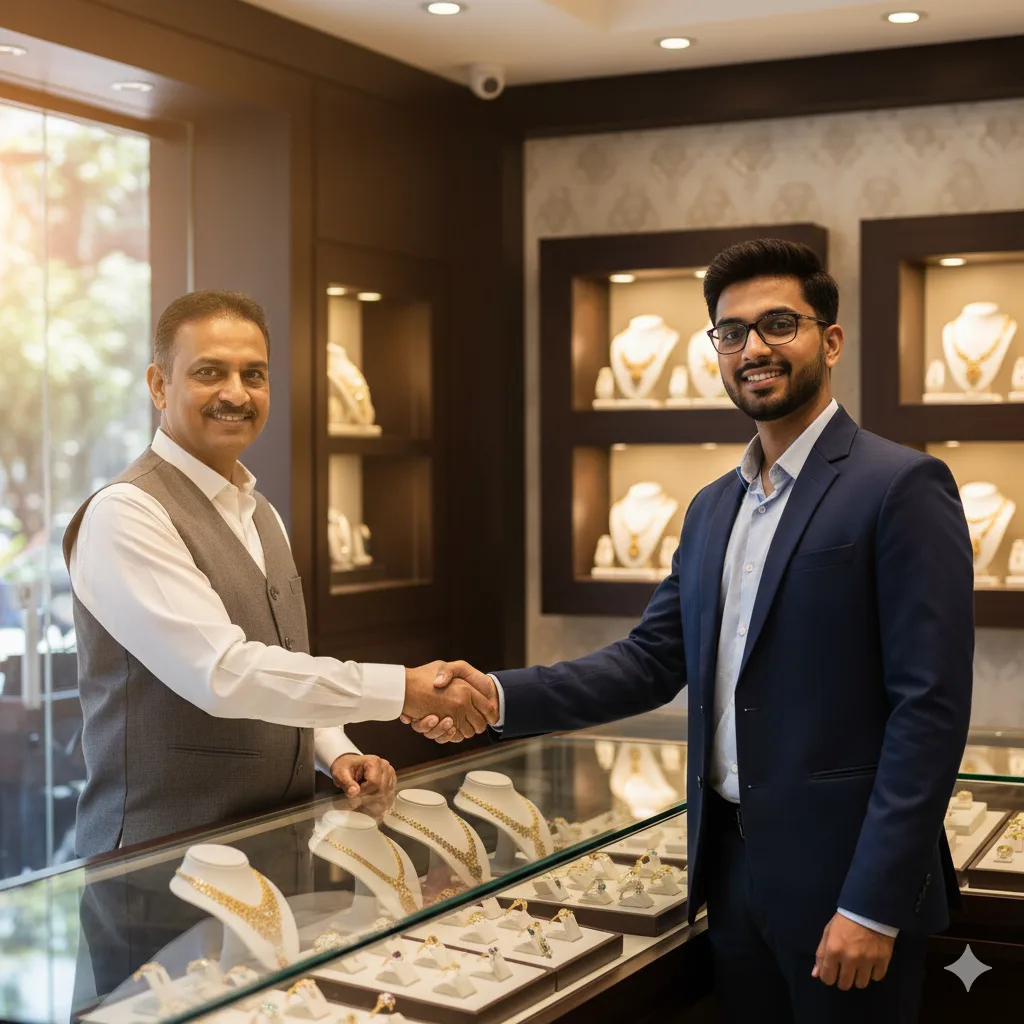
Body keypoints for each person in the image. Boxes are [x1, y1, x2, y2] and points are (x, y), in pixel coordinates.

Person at [407, 240, 974, 1023]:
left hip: (846, 886)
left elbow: (931, 709)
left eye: (780, 324)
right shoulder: (713, 506)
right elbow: (648, 661)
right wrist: (495, 694)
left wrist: (873, 905)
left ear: (830, 340)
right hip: (727, 874)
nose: (755, 349)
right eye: (732, 333)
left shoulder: (901, 485)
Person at [64, 289, 494, 858]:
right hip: (156, 867)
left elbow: (277, 668)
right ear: (158, 385)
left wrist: (335, 751)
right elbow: (223, 674)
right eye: (209, 372)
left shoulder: (261, 513)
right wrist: (404, 690)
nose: (236, 394)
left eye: (255, 374)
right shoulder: (126, 513)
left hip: (276, 848)